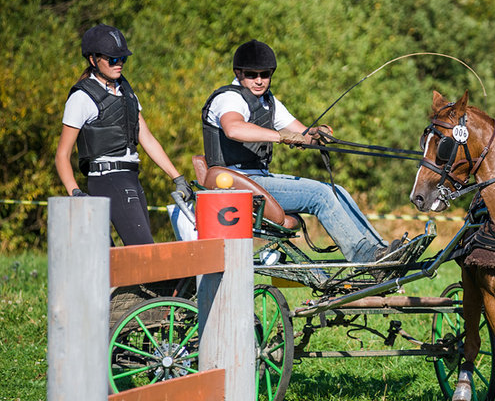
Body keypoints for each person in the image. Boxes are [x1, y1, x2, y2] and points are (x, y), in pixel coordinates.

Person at [201, 39, 397, 263]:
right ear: (238, 73)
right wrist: (281, 136)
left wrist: (316, 134)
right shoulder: (229, 98)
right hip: (235, 184)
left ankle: (382, 252)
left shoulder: (268, 101)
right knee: (320, 195)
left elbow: (301, 133)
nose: (258, 80)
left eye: (264, 74)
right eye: (251, 74)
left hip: (257, 180)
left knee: (337, 190)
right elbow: (234, 128)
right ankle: (364, 256)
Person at [55, 24, 193, 246]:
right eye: (112, 59)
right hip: (107, 178)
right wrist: (75, 193)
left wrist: (177, 178)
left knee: (136, 255)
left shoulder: (126, 91)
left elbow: (146, 138)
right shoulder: (82, 98)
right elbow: (62, 155)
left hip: (130, 177)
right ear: (93, 60)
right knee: (144, 251)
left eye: (122, 59)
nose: (118, 64)